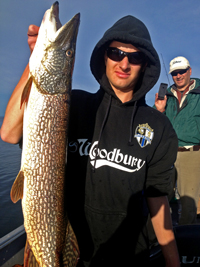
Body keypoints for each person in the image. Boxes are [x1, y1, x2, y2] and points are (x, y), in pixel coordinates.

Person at [1, 16, 180, 266]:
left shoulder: (159, 127)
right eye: (115, 52)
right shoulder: (72, 107)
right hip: (72, 253)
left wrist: (174, 263)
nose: (124, 63)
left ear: (145, 64)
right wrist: (35, 62)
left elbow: (158, 199)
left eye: (135, 56)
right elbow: (9, 133)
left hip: (130, 257)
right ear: (104, 56)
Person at [155, 56, 200, 225]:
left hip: (191, 153)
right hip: (167, 154)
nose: (178, 76)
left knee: (188, 203)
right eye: (174, 73)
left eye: (181, 72)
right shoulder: (165, 96)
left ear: (189, 71)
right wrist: (159, 110)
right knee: (162, 197)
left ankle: (184, 245)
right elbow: (153, 124)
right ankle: (163, 239)